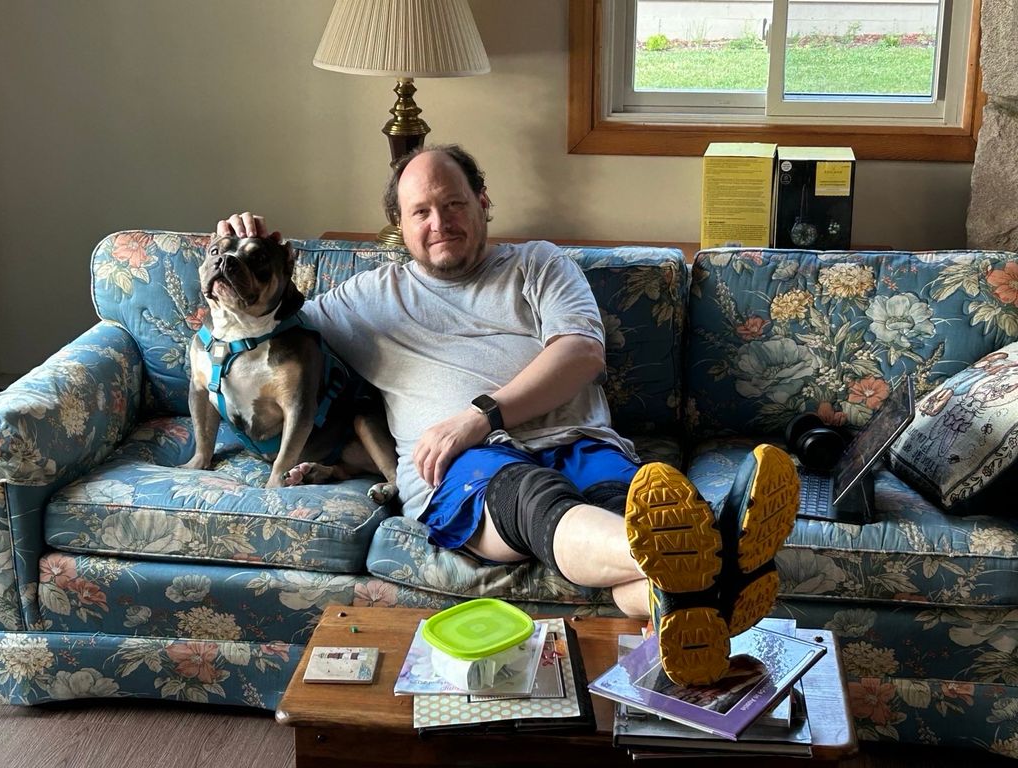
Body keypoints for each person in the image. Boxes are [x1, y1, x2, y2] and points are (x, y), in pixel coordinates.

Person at [217, 144, 799, 685]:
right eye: (420, 212)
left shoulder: (539, 264)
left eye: (453, 204)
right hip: (466, 469)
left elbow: (580, 352)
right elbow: (267, 322)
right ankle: (718, 557)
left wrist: (481, 414)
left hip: (579, 441)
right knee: (532, 494)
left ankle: (693, 597)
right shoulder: (364, 299)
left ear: (484, 204)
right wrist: (234, 257)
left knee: (627, 515)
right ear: (400, 224)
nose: (439, 222)